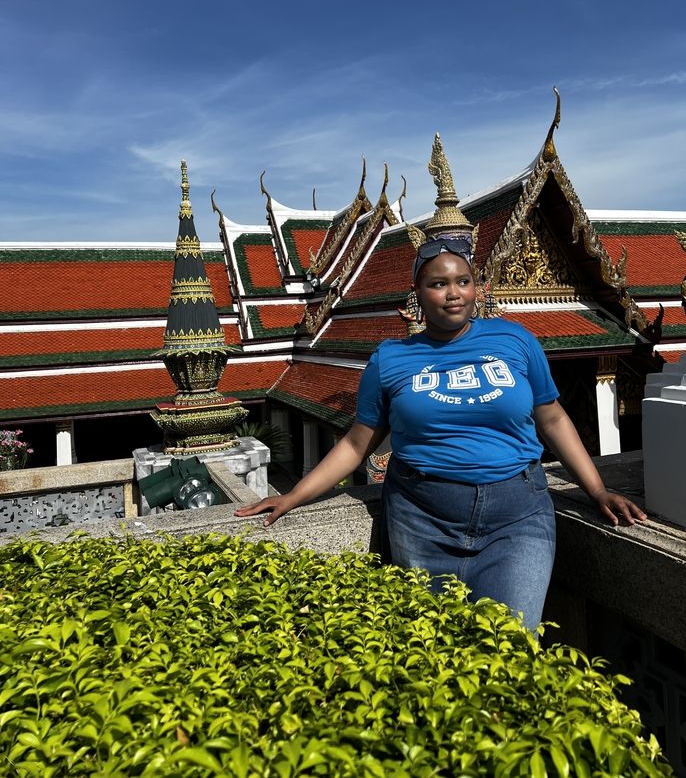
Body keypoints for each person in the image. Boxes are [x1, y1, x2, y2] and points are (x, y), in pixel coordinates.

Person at [235, 237, 646, 630]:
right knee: (436, 643)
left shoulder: (515, 339)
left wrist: (596, 490)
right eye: (439, 284)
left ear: (476, 287)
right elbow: (357, 444)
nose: (454, 293)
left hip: (517, 514)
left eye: (463, 281)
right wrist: (293, 496)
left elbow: (553, 419)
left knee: (513, 644)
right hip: (422, 517)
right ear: (417, 291)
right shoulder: (391, 359)